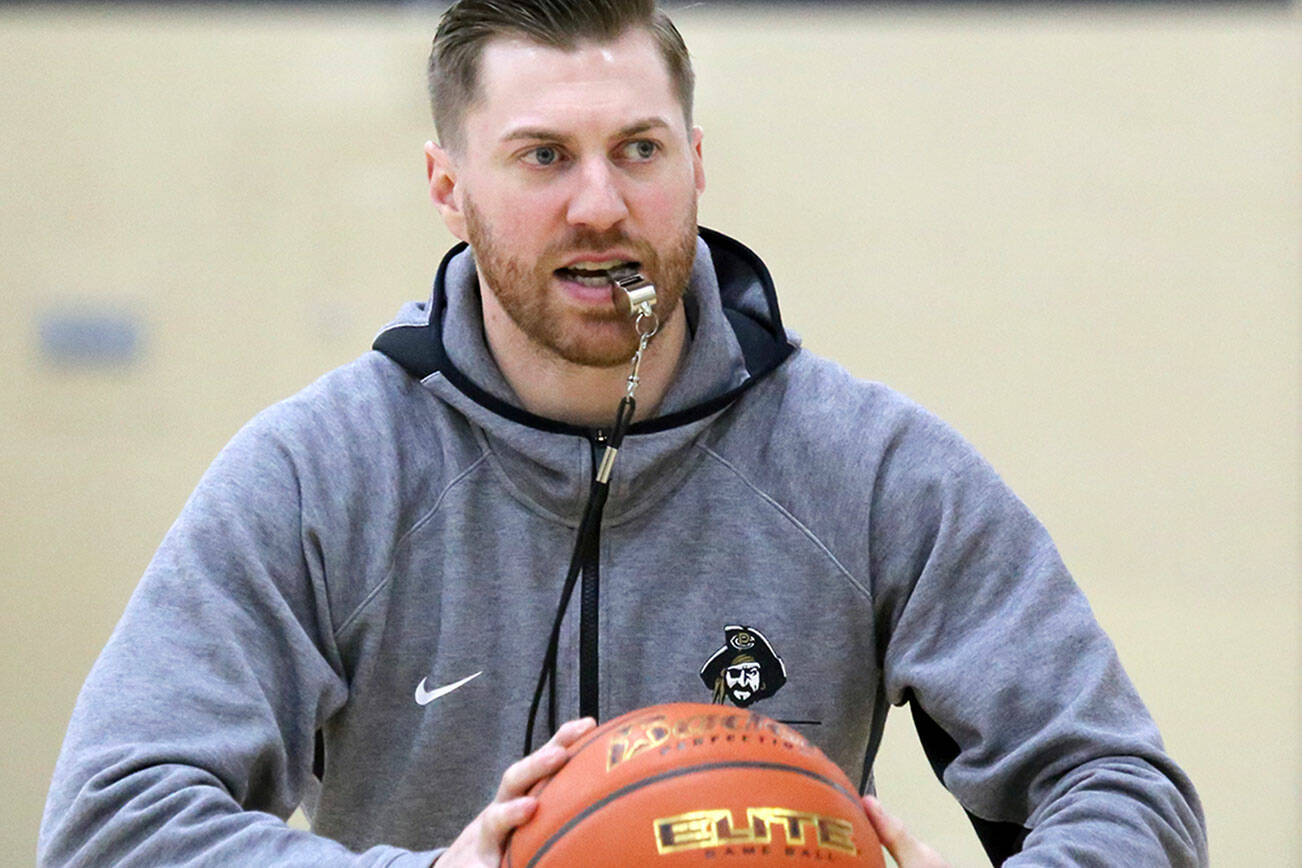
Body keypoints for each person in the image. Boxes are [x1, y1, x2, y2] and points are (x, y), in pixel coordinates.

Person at [39, 0, 1209, 865]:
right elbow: (112, 820)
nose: (599, 203)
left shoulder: (871, 470)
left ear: (695, 165)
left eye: (638, 150)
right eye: (543, 156)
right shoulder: (320, 474)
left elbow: (1123, 791)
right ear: (448, 186)